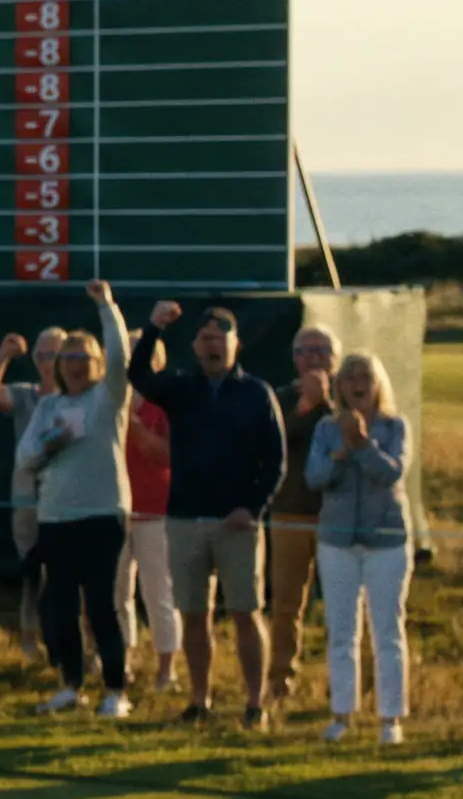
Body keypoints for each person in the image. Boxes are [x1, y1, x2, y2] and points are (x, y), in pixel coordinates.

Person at [135, 302, 287, 729]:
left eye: (221, 338)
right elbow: (139, 377)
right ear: (195, 347)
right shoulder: (181, 388)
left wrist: (252, 508)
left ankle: (255, 704)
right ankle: (199, 701)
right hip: (184, 519)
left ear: (236, 344)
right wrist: (152, 329)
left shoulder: (256, 393)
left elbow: (275, 461)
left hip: (235, 523)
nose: (214, 345)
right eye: (206, 339)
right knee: (193, 615)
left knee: (245, 611)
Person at [17, 283, 136, 717]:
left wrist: (106, 307)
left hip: (102, 515)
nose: (75, 367)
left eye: (83, 359)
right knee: (61, 607)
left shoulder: (107, 398)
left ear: (96, 364)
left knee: (102, 605)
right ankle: (70, 686)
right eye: (67, 359)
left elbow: (122, 357)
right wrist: (49, 445)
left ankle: (116, 691)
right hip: (55, 518)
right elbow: (25, 459)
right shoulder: (47, 408)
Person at [308, 350, 413, 745]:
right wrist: (342, 451)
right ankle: (342, 714)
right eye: (349, 376)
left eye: (364, 376)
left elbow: (392, 472)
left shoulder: (395, 426)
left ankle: (390, 718)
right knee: (340, 631)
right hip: (337, 541)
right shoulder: (325, 429)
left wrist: (364, 445)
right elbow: (315, 477)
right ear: (340, 387)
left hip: (385, 541)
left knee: (387, 630)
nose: (357, 383)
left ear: (377, 384)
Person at [265, 325, 342, 705]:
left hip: (339, 519)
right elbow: (275, 444)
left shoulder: (353, 398)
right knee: (286, 606)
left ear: (335, 358)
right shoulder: (279, 399)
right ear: (294, 359)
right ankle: (280, 682)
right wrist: (305, 408)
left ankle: (343, 684)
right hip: (290, 516)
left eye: (322, 350)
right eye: (305, 350)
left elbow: (348, 439)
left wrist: (327, 405)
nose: (313, 357)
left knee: (344, 606)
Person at [0, 327, 66, 661]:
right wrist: (4, 354)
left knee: (68, 573)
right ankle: (31, 641)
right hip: (27, 497)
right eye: (42, 355)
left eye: (54, 354)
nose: (48, 362)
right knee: (32, 571)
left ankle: (72, 644)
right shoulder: (25, 395)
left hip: (67, 496)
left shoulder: (80, 398)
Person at [122, 378, 180, 690]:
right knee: (117, 593)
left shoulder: (163, 409)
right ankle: (121, 663)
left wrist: (131, 420)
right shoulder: (106, 402)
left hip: (155, 512)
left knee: (159, 592)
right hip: (116, 511)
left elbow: (164, 455)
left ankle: (166, 669)